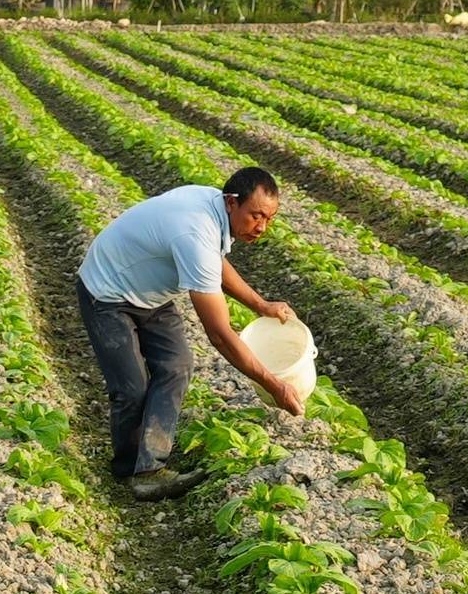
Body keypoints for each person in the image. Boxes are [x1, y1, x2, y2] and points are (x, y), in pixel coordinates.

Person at [78, 161, 308, 498]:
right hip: (107, 292)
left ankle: (150, 466)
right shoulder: (195, 230)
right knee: (132, 388)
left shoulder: (213, 211)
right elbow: (219, 334)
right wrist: (274, 385)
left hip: (150, 294)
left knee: (177, 365)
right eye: (256, 215)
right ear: (232, 201)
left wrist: (261, 305)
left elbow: (214, 262)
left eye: (269, 219)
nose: (262, 226)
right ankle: (129, 468)